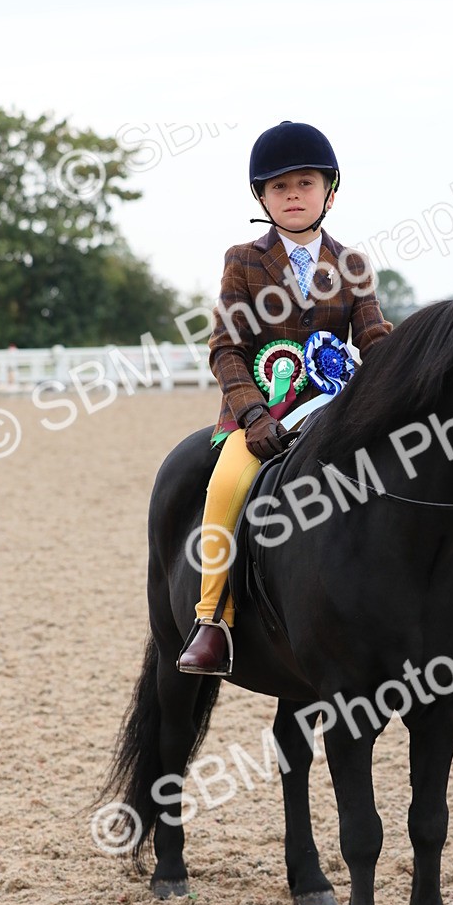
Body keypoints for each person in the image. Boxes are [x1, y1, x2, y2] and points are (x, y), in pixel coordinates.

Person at [178, 121, 392, 675]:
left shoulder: (352, 264)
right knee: (227, 483)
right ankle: (212, 621)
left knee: (422, 456)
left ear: (330, 192)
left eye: (304, 183)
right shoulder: (243, 260)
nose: (292, 194)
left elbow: (372, 335)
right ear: (262, 197)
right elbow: (226, 346)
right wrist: (250, 413)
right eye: (278, 187)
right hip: (262, 415)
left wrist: (407, 365)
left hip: (335, 406)